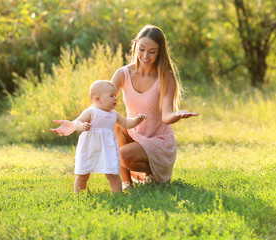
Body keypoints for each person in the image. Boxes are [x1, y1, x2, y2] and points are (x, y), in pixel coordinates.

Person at [50, 25, 198, 189]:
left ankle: (154, 174)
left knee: (122, 154)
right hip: (134, 132)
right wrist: (73, 124)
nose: (145, 56)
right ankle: (126, 182)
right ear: (135, 46)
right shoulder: (123, 73)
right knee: (113, 121)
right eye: (141, 49)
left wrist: (178, 115)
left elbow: (166, 116)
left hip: (158, 139)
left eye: (152, 51)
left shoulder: (165, 77)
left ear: (160, 52)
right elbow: (100, 106)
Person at [66, 80, 146, 193]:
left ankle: (118, 194)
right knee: (83, 174)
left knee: (112, 173)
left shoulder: (114, 114)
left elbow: (126, 123)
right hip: (90, 148)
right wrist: (82, 126)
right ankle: (78, 194)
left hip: (107, 149)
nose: (115, 99)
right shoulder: (91, 112)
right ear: (98, 99)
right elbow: (77, 122)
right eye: (111, 96)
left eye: (115, 96)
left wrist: (137, 120)